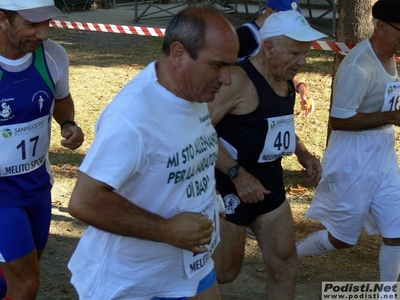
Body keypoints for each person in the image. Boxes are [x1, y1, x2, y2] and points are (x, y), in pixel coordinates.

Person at [67, 6, 239, 300]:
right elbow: (85, 201)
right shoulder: (132, 116)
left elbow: (188, 157)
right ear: (179, 53)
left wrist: (209, 199)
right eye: (217, 65)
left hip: (190, 266)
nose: (227, 79)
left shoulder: (192, 92)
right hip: (133, 283)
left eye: (230, 66)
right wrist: (169, 231)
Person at [208, 10, 324, 299]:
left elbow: (278, 125)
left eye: (306, 54)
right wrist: (237, 174)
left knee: (285, 263)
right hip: (228, 186)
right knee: (224, 272)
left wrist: (303, 154)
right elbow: (196, 131)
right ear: (269, 47)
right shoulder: (238, 79)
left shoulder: (284, 79)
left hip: (269, 184)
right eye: (296, 53)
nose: (303, 62)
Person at [296, 0, 400, 283]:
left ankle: (387, 294)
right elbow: (338, 121)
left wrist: (390, 118)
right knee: (342, 239)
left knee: (397, 232)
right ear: (381, 26)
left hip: (383, 156)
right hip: (354, 159)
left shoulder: (390, 55)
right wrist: (392, 116)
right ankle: (289, 257)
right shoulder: (358, 66)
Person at [0, 0, 85, 299]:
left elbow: (61, 98)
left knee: (14, 277)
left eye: (46, 23)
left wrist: (68, 124)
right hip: (2, 195)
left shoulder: (53, 56)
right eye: (32, 24)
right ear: (3, 20)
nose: (44, 34)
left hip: (37, 187)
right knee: (26, 283)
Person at [237, 0, 315, 118]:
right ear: (269, 12)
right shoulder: (243, 36)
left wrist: (300, 86)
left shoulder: (287, 37)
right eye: (284, 16)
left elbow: (282, 66)